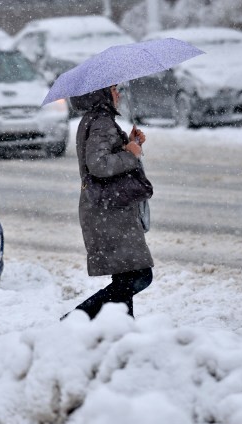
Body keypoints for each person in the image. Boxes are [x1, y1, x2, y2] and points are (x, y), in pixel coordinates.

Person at [62, 84, 153, 320]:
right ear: (100, 92)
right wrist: (130, 154)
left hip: (106, 208)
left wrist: (128, 144)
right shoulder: (102, 122)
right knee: (138, 276)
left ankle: (121, 329)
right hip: (110, 211)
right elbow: (99, 164)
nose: (119, 94)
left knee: (126, 278)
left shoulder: (95, 119)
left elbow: (100, 157)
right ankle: (75, 319)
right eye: (114, 89)